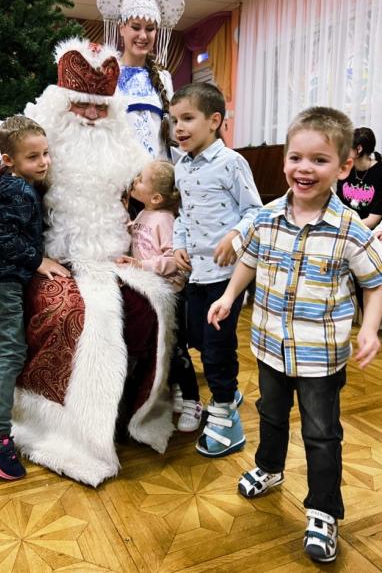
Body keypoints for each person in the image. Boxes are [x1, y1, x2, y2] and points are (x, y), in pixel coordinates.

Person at [0, 38, 176, 488]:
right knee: (73, 315)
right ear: (64, 103)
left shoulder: (124, 145)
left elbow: (153, 190)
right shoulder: (31, 139)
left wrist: (156, 247)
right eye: (84, 106)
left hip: (110, 256)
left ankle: (123, 412)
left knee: (148, 308)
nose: (94, 117)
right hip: (41, 259)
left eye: (103, 108)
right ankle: (40, 425)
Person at [207, 107, 382, 564]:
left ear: (344, 167)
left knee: (323, 433)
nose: (304, 169)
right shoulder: (265, 218)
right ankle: (269, 466)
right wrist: (228, 297)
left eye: (319, 160)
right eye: (296, 158)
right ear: (285, 160)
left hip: (321, 355)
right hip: (269, 344)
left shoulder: (350, 231)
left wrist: (369, 327)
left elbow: (374, 282)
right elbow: (249, 260)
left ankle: (324, 509)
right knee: (270, 412)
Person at [0, 116, 69, 480]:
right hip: (3, 282)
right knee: (11, 351)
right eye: (33, 157)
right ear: (8, 160)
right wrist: (40, 260)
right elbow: (2, 238)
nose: (43, 163)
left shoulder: (15, 185)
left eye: (45, 154)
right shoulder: (19, 191)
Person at [171, 82, 263, 457]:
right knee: (197, 340)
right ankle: (230, 391)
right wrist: (178, 243)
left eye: (187, 118)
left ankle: (226, 414)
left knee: (216, 349)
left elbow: (256, 211)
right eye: (174, 119)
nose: (178, 127)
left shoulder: (231, 163)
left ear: (214, 121)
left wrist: (235, 236)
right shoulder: (181, 165)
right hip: (196, 275)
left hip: (226, 277)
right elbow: (182, 213)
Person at [116, 159, 202, 432]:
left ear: (155, 196)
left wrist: (143, 266)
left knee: (176, 349)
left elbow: (173, 259)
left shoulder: (164, 220)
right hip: (152, 292)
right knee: (161, 347)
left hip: (171, 295)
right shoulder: (143, 213)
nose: (134, 181)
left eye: (139, 180)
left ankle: (192, 400)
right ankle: (174, 387)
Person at [97, 0, 184, 160]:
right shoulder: (104, 74)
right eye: (135, 27)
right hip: (118, 179)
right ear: (122, 29)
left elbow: (172, 133)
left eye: (150, 29)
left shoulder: (164, 78)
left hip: (158, 181)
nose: (143, 36)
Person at [337, 126, 382, 229]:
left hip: (365, 231)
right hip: (342, 225)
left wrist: (345, 228)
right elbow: (338, 206)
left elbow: (372, 221)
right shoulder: (345, 168)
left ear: (359, 149)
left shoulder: (379, 174)